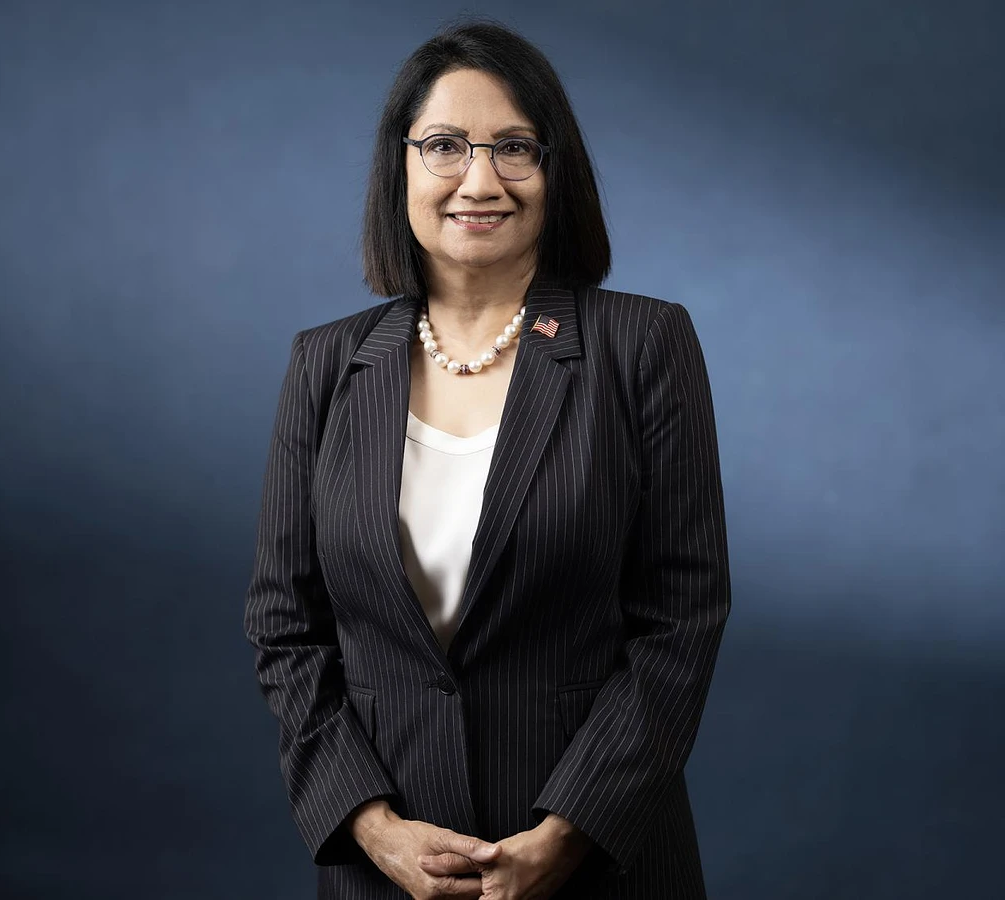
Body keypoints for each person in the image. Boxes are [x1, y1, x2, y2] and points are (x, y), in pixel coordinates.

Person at [244, 19, 731, 900]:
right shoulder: (325, 364)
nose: (479, 180)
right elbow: (286, 625)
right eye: (443, 146)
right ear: (400, 167)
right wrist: (369, 825)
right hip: (387, 870)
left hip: (600, 863)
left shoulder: (643, 345)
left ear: (556, 170)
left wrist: (569, 832)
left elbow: (681, 620)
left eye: (514, 147)